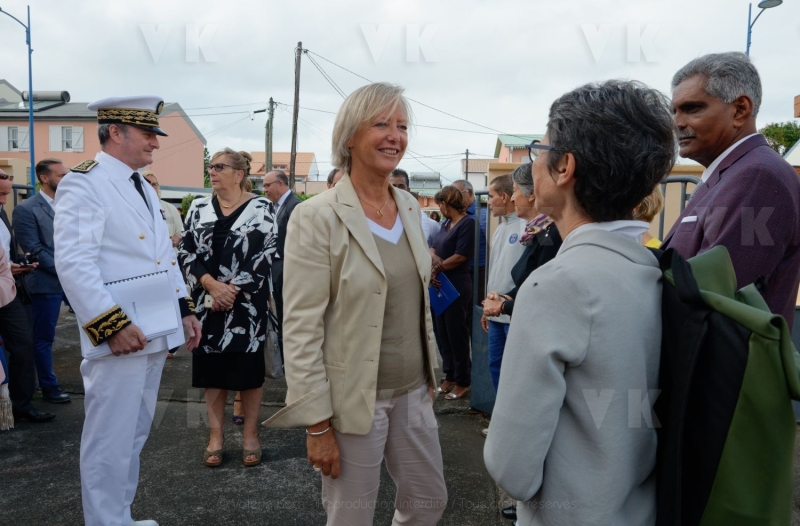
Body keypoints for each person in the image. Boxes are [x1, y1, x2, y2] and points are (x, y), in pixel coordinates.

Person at [484, 80, 676, 525]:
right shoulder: (654, 270)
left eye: (539, 149)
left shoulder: (556, 284)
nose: (534, 162)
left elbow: (511, 467)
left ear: (564, 167)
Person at [265, 82, 447, 525]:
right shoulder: (316, 216)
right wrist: (317, 424)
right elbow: (301, 327)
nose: (395, 136)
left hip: (413, 392)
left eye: (402, 126)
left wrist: (430, 373)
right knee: (351, 517)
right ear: (349, 136)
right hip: (351, 403)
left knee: (429, 501)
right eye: (381, 124)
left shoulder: (409, 206)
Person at [54, 96, 202, 526]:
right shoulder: (85, 182)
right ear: (115, 132)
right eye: (148, 133)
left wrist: (184, 309)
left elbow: (163, 257)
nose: (156, 142)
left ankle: (119, 517)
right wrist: (110, 325)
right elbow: (75, 263)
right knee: (109, 439)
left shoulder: (140, 184)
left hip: (153, 327)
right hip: (121, 333)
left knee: (133, 433)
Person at [664, 52, 800, 329]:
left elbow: (720, 298)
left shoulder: (759, 179)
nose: (677, 122)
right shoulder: (733, 174)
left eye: (692, 108)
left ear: (740, 110)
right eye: (674, 111)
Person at [179, 148, 277, 468]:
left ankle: (251, 436)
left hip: (246, 304)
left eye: (219, 167)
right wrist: (211, 284)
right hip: (208, 303)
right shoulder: (197, 207)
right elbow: (186, 251)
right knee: (212, 372)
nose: (212, 171)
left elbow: (267, 252)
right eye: (210, 166)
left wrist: (231, 288)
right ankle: (215, 437)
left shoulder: (261, 207)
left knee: (248, 372)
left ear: (239, 174)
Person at [13, 158, 71, 403]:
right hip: (46, 283)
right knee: (43, 338)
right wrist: (68, 270)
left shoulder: (70, 205)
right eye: (61, 175)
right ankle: (48, 387)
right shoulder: (26, 209)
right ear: (45, 178)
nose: (66, 179)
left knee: (94, 326)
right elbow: (34, 249)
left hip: (75, 279)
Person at [0, 169, 53, 423]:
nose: (3, 200)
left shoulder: (2, 212)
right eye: (0, 194)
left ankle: (21, 405)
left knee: (23, 346)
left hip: (9, 292)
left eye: (6, 194)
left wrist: (18, 263)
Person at [483, 163, 563, 319]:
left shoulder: (548, 233)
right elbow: (526, 282)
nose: (512, 198)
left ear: (531, 194)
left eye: (514, 191)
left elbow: (542, 290)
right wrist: (504, 297)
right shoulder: (536, 230)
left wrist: (503, 305)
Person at [480, 174, 525, 392]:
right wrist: (487, 308)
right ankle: (500, 412)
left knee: (515, 371)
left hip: (513, 312)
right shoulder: (500, 229)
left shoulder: (527, 227)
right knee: (496, 366)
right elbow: (496, 271)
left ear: (505, 197)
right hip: (495, 314)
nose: (488, 202)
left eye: (491, 196)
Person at [431, 185, 476, 400]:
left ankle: (463, 380)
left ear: (446, 204)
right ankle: (449, 375)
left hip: (457, 284)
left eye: (440, 204)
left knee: (457, 333)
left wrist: (436, 269)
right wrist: (434, 260)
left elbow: (460, 256)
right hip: (440, 283)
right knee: (443, 333)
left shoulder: (468, 223)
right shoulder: (446, 223)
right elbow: (433, 247)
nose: (439, 209)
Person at [142, 171, 184, 360]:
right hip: (147, 268)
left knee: (172, 305)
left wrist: (171, 241)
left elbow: (180, 234)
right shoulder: (137, 208)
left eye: (155, 184)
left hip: (170, 263)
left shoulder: (169, 208)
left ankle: (171, 344)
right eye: (148, 183)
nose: (152, 187)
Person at [262, 169, 301, 357]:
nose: (264, 190)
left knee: (289, 311)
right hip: (276, 268)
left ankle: (290, 353)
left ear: (280, 183)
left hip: (288, 268)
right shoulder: (274, 206)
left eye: (267, 185)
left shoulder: (295, 206)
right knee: (281, 309)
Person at [452, 179, 486, 298]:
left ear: (469, 192)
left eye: (457, 194)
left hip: (479, 271)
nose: (454, 199)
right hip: (458, 272)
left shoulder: (484, 215)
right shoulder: (452, 216)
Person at [389, 168, 440, 245]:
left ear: (408, 190)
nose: (397, 190)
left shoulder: (419, 215)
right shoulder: (379, 213)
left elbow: (419, 242)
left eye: (401, 186)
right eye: (393, 186)